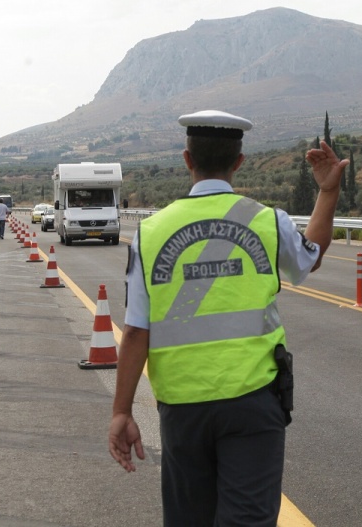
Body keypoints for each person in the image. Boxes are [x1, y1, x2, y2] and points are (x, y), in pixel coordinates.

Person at [108, 110, 349, 526]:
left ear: (187, 160)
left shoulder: (150, 233)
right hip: (253, 401)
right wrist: (327, 192)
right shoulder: (267, 221)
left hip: (183, 410)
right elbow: (311, 256)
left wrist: (121, 411)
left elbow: (135, 332)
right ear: (239, 161)